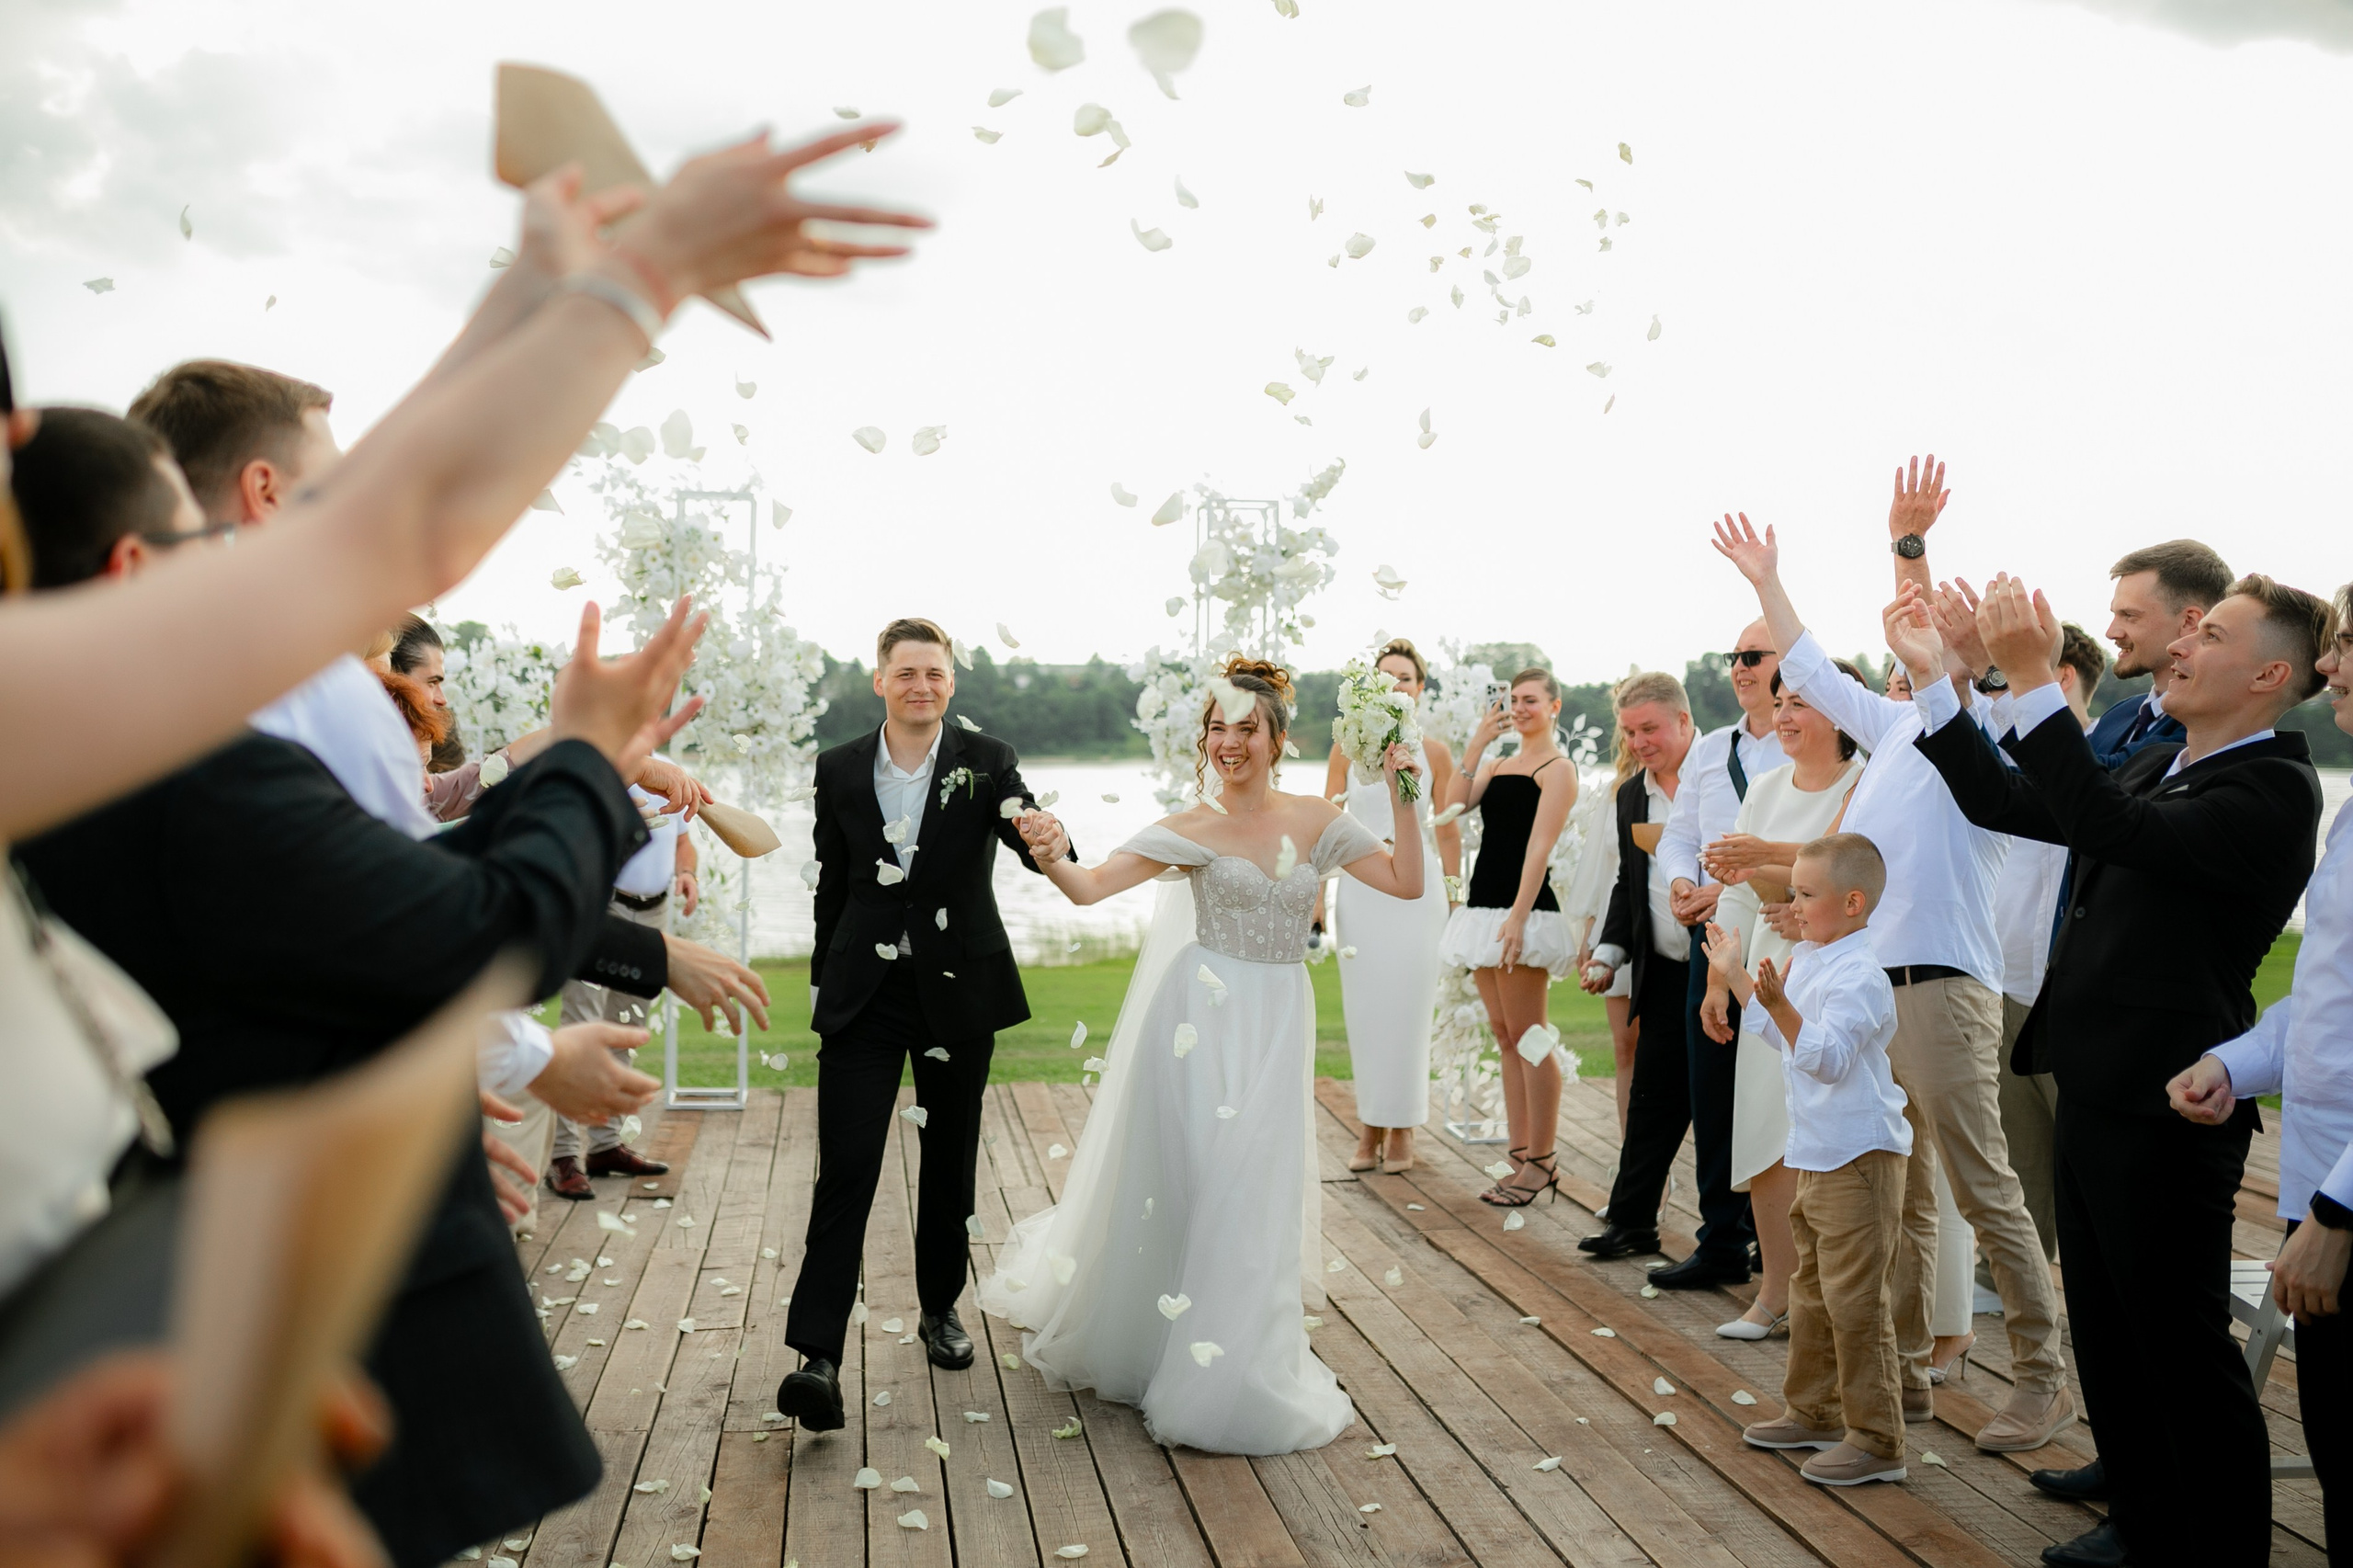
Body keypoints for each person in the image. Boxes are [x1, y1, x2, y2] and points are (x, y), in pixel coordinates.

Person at [1897, 571, 2328, 1568]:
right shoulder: (2164, 762)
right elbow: (2010, 797)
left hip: (2173, 1097)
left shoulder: (2272, 787)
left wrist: (2033, 673)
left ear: (2268, 673)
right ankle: (2141, 1521)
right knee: (2110, 1327)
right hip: (2094, 1074)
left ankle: (2218, 1548)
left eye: (2208, 634)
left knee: (2179, 1345)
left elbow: (2105, 827)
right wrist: (1936, 683)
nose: (2179, 645)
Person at [980, 657, 1426, 1453]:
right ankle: (1168, 1347)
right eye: (1217, 729)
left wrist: (1403, 788)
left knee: (1253, 1189)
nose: (1230, 743)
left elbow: (1404, 879)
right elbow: (1087, 889)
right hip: (1198, 1020)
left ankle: (1240, 1366)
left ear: (1276, 738)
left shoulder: (1317, 820)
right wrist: (1049, 851)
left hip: (1277, 1017)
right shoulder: (1188, 828)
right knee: (1195, 1182)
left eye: (1246, 729)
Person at [1712, 484, 2073, 1457]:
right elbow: (1816, 670)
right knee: (1898, 1195)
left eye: (1942, 629)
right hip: (1871, 983)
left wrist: (1910, 549)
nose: (1920, 625)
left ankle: (2045, 1380)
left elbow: (1943, 663)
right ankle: (1900, 1378)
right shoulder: (1899, 726)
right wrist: (1768, 579)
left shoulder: (1985, 731)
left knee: (1979, 1187)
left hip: (1947, 988)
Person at [775, 619, 1067, 1429]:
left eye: (935, 673)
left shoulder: (986, 760)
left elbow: (1026, 825)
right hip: (863, 997)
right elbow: (830, 887)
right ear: (881, 681)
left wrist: (1051, 833)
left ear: (950, 683)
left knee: (949, 1159)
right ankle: (818, 1356)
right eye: (906, 673)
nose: (922, 686)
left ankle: (941, 1307)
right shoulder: (837, 768)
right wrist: (820, 985)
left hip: (958, 991)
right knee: (848, 1167)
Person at [2168, 582, 2353, 1565]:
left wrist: (2336, 1216)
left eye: (2349, 644)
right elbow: (2330, 1005)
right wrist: (2233, 1062)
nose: (2330, 665)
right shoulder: (2350, 818)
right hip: (2319, 1195)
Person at [1706, 833, 1912, 1486]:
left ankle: (1878, 1440)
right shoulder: (1811, 956)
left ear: (1853, 902)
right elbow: (1775, 1034)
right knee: (1812, 1290)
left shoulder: (1862, 976)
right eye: (1792, 890)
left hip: (1860, 1157)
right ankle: (1815, 1409)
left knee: (1857, 1302)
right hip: (1817, 1153)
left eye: (1805, 893)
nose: (1791, 904)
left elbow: (1825, 1058)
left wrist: (1778, 1004)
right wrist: (1739, 978)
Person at [1699, 662, 1867, 1339]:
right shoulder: (1765, 786)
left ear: (1841, 715)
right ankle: (1774, 1291)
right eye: (1782, 702)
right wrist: (1719, 978)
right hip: (1762, 976)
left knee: (1826, 1140)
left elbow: (1846, 876)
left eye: (1801, 703)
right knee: (1767, 1132)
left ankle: (1829, 1301)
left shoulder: (1864, 786)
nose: (1785, 714)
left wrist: (1759, 867)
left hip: (1832, 981)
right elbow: (1736, 890)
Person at [1654, 619, 1788, 1284]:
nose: (1739, 668)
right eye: (1733, 657)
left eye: (1753, 656)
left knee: (1774, 1085)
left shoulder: (1811, 744)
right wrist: (1684, 883)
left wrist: (1728, 890)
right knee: (1712, 1085)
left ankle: (1779, 1243)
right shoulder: (1709, 749)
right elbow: (1680, 834)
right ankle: (1720, 1242)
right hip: (1710, 940)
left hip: (1780, 936)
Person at [1438, 668, 1579, 1205]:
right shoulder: (1497, 763)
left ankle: (1543, 1161)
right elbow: (1449, 810)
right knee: (1505, 1034)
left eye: (1530, 700)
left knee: (1531, 1037)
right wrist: (1478, 740)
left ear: (1554, 706)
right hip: (1483, 907)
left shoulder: (1558, 769)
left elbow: (1539, 848)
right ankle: (1521, 1154)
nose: (1519, 708)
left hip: (1523, 912)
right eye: (1513, 700)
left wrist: (1519, 917)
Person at [1580, 673, 1709, 1262]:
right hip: (1660, 971)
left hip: (1721, 969)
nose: (1638, 742)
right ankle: (1633, 1224)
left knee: (1719, 1111)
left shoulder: (1726, 776)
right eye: (1630, 731)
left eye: (1649, 729)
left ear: (1684, 721)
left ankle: (1732, 1239)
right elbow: (1628, 886)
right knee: (1652, 1103)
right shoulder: (1631, 794)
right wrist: (1608, 955)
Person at [1321, 638, 1459, 1174]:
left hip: (1418, 890)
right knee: (1366, 1011)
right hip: (1360, 888)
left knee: (1409, 1011)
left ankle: (1403, 1129)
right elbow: (1328, 824)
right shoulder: (1347, 749)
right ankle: (1369, 1125)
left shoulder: (1437, 754)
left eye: (1404, 677)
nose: (1395, 685)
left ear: (1419, 690)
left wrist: (1455, 899)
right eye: (1385, 677)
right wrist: (1318, 897)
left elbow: (1447, 835)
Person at [544, 781, 697, 1199]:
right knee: (581, 1026)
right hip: (599, 907)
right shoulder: (599, 772)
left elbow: (683, 842)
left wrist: (686, 873)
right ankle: (563, 1156)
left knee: (628, 1027)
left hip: (655, 912)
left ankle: (606, 1145)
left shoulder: (672, 780)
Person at [2085, 540, 2234, 767]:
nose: (2111, 632)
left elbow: (2088, 780)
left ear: (2189, 621)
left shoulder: (2209, 727)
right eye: (2115, 614)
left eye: (2129, 615)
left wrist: (2031, 675)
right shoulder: (2119, 714)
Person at [1564, 724, 1641, 1139]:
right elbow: (1599, 871)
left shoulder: (1695, 782)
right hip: (1617, 928)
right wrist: (1590, 937)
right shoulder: (1616, 792)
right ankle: (1636, 1172)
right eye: (1630, 730)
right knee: (1624, 1048)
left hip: (1669, 931)